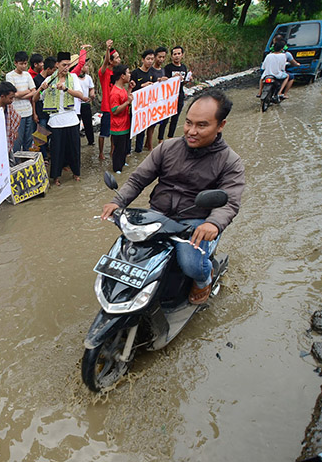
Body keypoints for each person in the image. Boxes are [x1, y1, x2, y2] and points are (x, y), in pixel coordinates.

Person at [101, 88, 245, 305]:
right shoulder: (167, 147)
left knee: (190, 263)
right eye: (188, 123)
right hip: (158, 215)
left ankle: (204, 279)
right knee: (126, 250)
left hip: (195, 222)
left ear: (221, 125)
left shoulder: (230, 162)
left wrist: (213, 223)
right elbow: (138, 179)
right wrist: (117, 201)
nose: (191, 131)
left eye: (201, 125)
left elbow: (230, 201)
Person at [36, 51, 86, 186]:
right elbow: (35, 98)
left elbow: (80, 95)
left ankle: (76, 173)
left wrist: (65, 89)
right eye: (64, 65)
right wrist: (41, 88)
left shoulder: (73, 78)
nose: (66, 68)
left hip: (72, 119)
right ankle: (56, 177)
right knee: (57, 150)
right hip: (56, 121)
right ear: (57, 65)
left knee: (74, 149)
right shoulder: (48, 80)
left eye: (68, 65)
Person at [158, 45, 192, 142]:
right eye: (174, 54)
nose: (177, 56)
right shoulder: (168, 68)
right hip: (169, 96)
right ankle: (160, 139)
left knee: (175, 119)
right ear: (172, 56)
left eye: (179, 54)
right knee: (165, 119)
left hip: (179, 95)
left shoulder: (184, 67)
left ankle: (170, 138)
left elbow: (183, 83)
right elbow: (164, 82)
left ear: (182, 55)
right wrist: (172, 79)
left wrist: (187, 80)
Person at [6, 51, 37, 153]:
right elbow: (14, 94)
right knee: (17, 140)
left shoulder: (27, 75)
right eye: (21, 63)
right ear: (15, 63)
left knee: (28, 139)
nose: (24, 66)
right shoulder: (10, 76)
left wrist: (22, 94)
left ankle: (27, 161)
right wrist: (28, 91)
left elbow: (34, 91)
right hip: (17, 113)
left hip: (28, 111)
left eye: (25, 63)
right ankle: (15, 162)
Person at [98, 40, 123, 161]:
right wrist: (108, 49)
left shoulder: (117, 73)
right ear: (110, 61)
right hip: (107, 108)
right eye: (117, 58)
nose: (119, 60)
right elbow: (104, 64)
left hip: (116, 107)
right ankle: (101, 153)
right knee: (103, 132)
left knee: (114, 132)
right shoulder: (103, 72)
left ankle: (113, 151)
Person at [131, 49, 158, 153]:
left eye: (152, 59)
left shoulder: (152, 73)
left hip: (147, 107)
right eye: (148, 59)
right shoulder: (135, 73)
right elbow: (131, 89)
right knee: (133, 128)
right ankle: (128, 151)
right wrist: (142, 86)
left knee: (142, 130)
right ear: (143, 60)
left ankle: (139, 150)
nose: (150, 61)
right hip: (136, 106)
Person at [108, 65, 132, 174]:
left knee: (124, 147)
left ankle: (122, 162)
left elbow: (126, 99)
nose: (129, 75)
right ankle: (117, 168)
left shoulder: (122, 89)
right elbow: (115, 110)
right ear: (122, 76)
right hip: (118, 126)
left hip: (125, 123)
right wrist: (127, 102)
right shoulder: (114, 92)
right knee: (118, 148)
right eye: (128, 73)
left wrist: (130, 89)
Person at [0, 82, 20, 161]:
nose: (12, 100)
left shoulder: (9, 107)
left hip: (8, 144)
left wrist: (14, 132)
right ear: (2, 96)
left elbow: (14, 120)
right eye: (10, 98)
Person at [145, 46, 168, 151]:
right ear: (155, 57)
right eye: (159, 57)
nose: (161, 59)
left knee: (154, 125)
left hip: (159, 100)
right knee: (151, 125)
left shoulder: (163, 70)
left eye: (163, 57)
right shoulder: (151, 70)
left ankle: (147, 144)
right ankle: (149, 147)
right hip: (150, 101)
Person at [33, 56, 56, 160]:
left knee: (51, 133)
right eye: (54, 69)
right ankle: (43, 156)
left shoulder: (53, 79)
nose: (55, 71)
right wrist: (34, 113)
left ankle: (50, 153)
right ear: (48, 69)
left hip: (50, 111)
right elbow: (34, 98)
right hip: (40, 111)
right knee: (41, 135)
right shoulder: (37, 80)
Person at [77, 63, 96, 146]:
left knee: (88, 123)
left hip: (86, 103)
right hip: (77, 105)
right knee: (76, 124)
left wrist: (92, 94)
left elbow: (91, 88)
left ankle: (91, 141)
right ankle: (76, 142)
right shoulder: (74, 78)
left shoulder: (88, 78)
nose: (88, 67)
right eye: (86, 65)